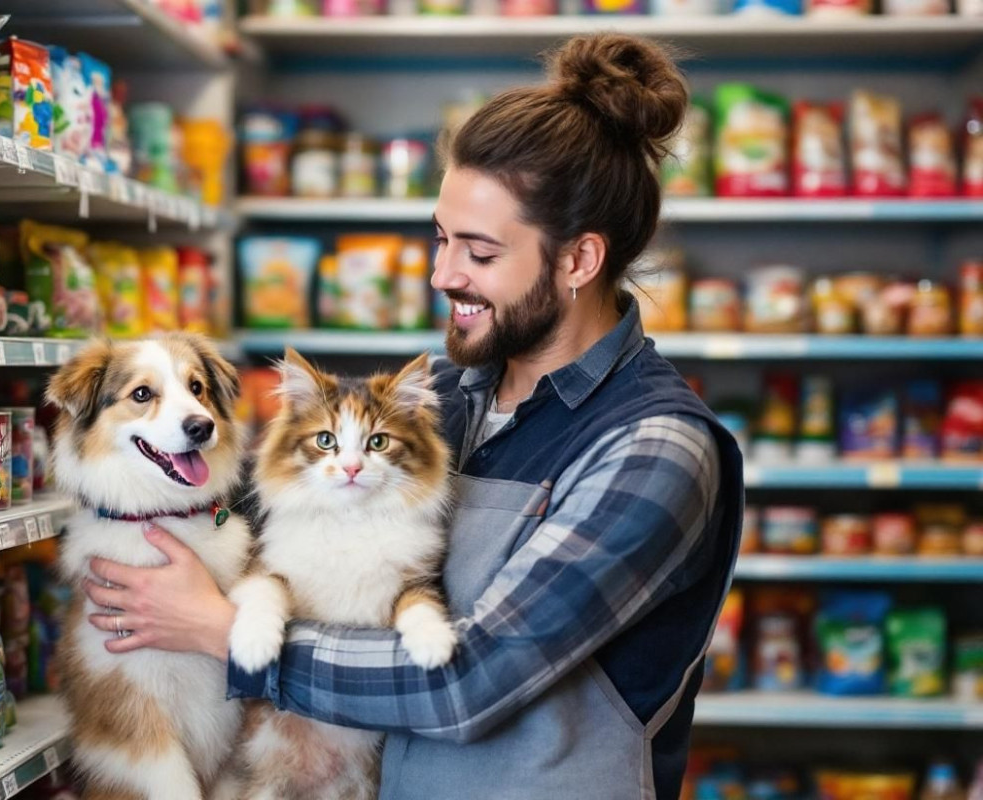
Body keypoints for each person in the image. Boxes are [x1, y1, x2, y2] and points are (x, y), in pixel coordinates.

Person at [80, 33, 745, 799]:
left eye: (480, 252)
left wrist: (218, 629)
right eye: (440, 238)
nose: (442, 274)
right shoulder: (448, 407)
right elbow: (277, 515)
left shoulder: (653, 447)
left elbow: (467, 684)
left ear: (578, 262)